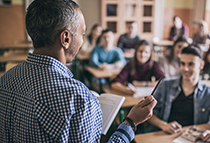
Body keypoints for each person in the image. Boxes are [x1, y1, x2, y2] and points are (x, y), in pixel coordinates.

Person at [0, 0, 157, 142]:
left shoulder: (7, 79)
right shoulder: (78, 98)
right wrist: (130, 122)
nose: (82, 41)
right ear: (66, 38)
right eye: (82, 34)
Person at [148, 45, 210, 143]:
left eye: (191, 64)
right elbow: (148, 113)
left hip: (193, 139)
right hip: (165, 137)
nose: (186, 69)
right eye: (183, 63)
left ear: (201, 65)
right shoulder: (165, 86)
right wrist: (163, 125)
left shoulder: (208, 93)